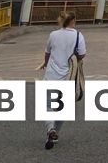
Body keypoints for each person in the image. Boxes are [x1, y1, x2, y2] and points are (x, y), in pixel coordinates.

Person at [37, 11, 86, 150]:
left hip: (51, 74)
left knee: (47, 105)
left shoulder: (53, 35)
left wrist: (46, 64)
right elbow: (82, 54)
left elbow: (47, 52)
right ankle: (56, 132)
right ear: (74, 21)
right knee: (63, 108)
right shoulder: (78, 35)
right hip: (68, 76)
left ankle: (50, 129)